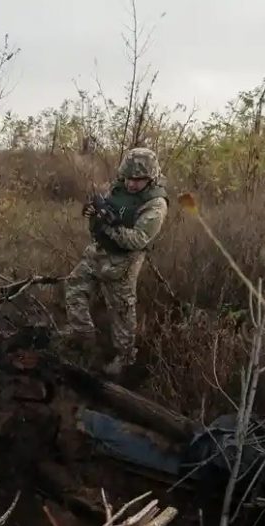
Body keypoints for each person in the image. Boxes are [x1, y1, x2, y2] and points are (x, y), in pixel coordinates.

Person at [61, 147, 169, 377]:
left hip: (123, 261)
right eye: (128, 178)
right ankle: (84, 338)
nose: (131, 184)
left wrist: (108, 226)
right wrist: (93, 211)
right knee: (74, 287)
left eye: (138, 180)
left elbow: (138, 239)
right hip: (98, 251)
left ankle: (125, 359)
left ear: (150, 178)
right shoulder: (118, 187)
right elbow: (104, 205)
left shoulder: (156, 204)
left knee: (121, 311)